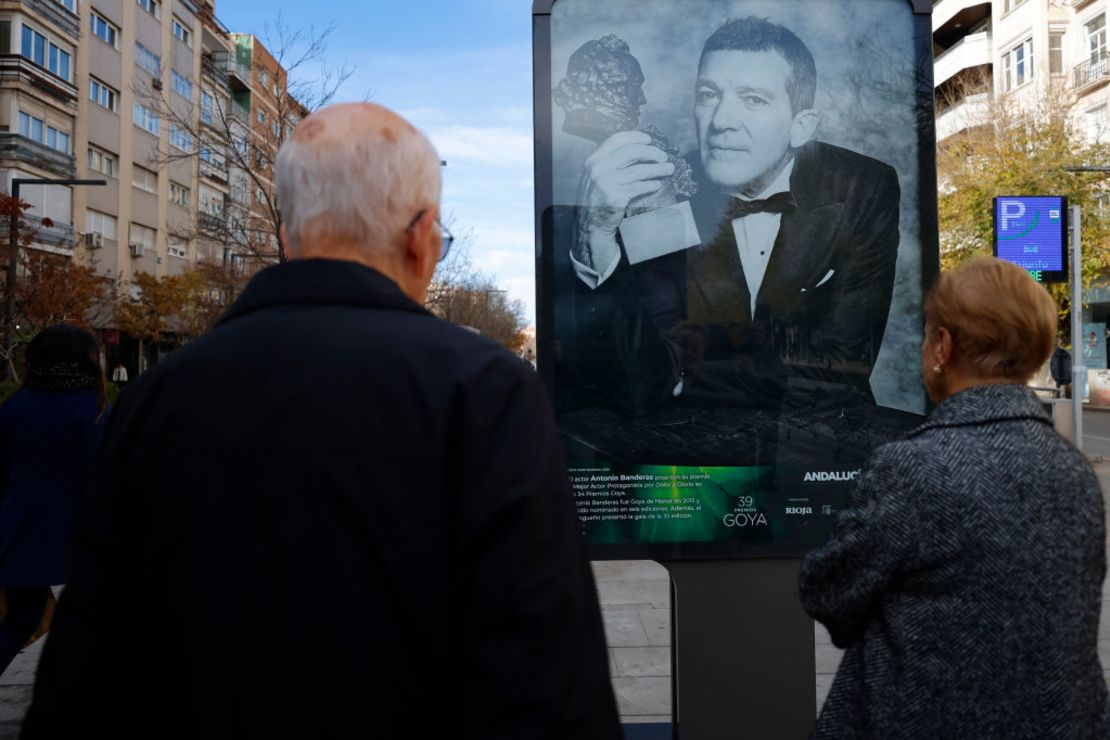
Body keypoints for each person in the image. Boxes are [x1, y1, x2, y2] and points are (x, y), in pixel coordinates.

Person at [22, 103, 621, 739]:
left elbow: (82, 677)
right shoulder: (486, 391)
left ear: (287, 236)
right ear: (422, 237)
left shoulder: (151, 399)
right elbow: (550, 687)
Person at [799, 257, 1109, 737]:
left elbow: (828, 592)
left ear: (942, 345)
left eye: (928, 335)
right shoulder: (1074, 472)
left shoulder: (911, 469)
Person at [569, 16, 900, 410]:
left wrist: (696, 375)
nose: (721, 122)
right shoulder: (660, 193)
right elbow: (653, 375)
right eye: (708, 95)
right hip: (697, 452)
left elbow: (843, 366)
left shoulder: (863, 185)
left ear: (801, 127)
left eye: (754, 99)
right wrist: (597, 241)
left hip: (817, 447)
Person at [0, 325, 107, 676]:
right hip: (70, 533)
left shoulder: (16, 404)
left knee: (21, 617)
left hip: (16, 530)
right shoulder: (86, 408)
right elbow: (97, 476)